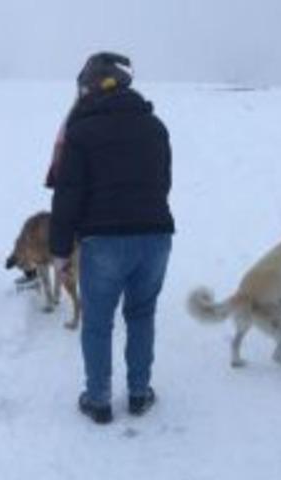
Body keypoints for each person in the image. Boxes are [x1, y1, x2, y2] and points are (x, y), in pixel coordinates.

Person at [49, 52, 174, 424]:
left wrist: (59, 249)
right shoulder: (155, 126)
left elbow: (67, 193)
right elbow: (164, 182)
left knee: (98, 322)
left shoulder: (81, 131)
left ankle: (99, 401)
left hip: (103, 241)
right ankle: (139, 394)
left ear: (90, 87)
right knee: (141, 315)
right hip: (155, 236)